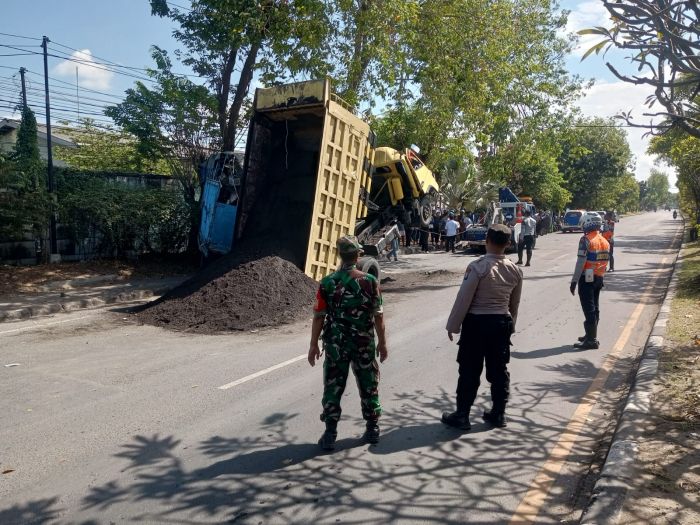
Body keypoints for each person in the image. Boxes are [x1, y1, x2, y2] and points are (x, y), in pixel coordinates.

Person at [308, 236, 388, 450]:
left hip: (336, 343)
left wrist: (313, 345)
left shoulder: (327, 283)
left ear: (339, 255)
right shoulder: (371, 282)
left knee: (333, 386)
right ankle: (372, 428)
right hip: (363, 342)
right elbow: (378, 316)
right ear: (359, 254)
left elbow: (318, 316)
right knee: (368, 382)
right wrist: (382, 343)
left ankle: (330, 432)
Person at [442, 224, 523, 430]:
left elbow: (464, 299)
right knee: (499, 370)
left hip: (476, 325)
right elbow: (514, 303)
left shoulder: (477, 267)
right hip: (501, 324)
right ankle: (498, 413)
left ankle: (462, 415)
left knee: (469, 370)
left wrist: (453, 325)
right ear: (508, 244)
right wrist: (511, 326)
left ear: (487, 240)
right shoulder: (515, 270)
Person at [570, 215, 610, 350]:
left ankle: (591, 340)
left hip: (586, 279)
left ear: (587, 223)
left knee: (589, 309)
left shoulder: (586, 240)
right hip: (599, 278)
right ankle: (590, 335)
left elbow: (580, 262)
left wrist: (574, 281)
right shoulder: (605, 241)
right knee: (595, 307)